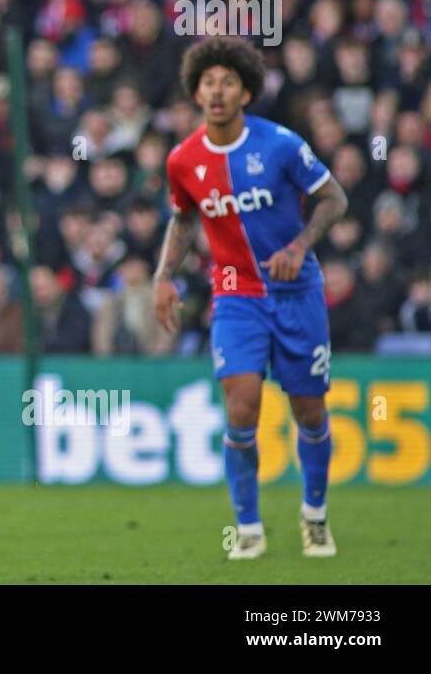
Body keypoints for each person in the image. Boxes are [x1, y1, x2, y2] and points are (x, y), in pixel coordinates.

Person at [154, 36, 348, 560]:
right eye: (207, 83)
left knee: (308, 410)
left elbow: (334, 197)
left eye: (228, 82)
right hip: (235, 294)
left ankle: (314, 515)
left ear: (246, 92)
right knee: (241, 405)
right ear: (196, 93)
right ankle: (248, 528)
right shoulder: (183, 159)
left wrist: (299, 244)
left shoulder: (281, 144)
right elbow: (184, 216)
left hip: (296, 290)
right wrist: (163, 277)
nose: (217, 92)